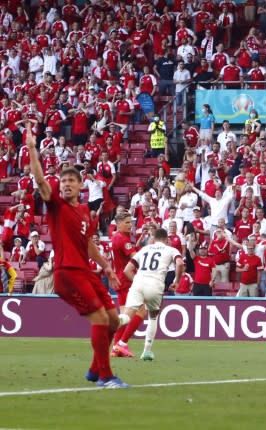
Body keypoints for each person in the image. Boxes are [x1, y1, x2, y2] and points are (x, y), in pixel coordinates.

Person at [24, 122, 129, 388]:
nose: (66, 184)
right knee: (100, 319)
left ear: (81, 185)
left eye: (71, 180)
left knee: (114, 320)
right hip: (67, 273)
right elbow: (39, 180)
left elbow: (89, 245)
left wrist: (106, 267)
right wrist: (32, 148)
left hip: (86, 271)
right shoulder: (56, 205)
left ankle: (96, 369)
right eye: (63, 181)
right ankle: (106, 378)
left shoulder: (83, 212)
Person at [122, 228, 185, 361]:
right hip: (155, 285)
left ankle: (115, 334)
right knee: (153, 317)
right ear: (167, 239)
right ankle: (147, 351)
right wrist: (177, 281)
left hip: (138, 283)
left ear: (154, 238)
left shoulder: (144, 249)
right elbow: (180, 263)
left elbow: (127, 270)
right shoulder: (171, 249)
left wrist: (138, 281)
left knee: (126, 316)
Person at [110, 211, 147, 358]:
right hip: (126, 280)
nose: (130, 225)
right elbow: (135, 257)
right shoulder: (122, 239)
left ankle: (116, 347)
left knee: (125, 316)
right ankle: (120, 343)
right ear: (118, 224)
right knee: (141, 311)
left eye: (130, 222)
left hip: (120, 279)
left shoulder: (115, 237)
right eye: (126, 222)